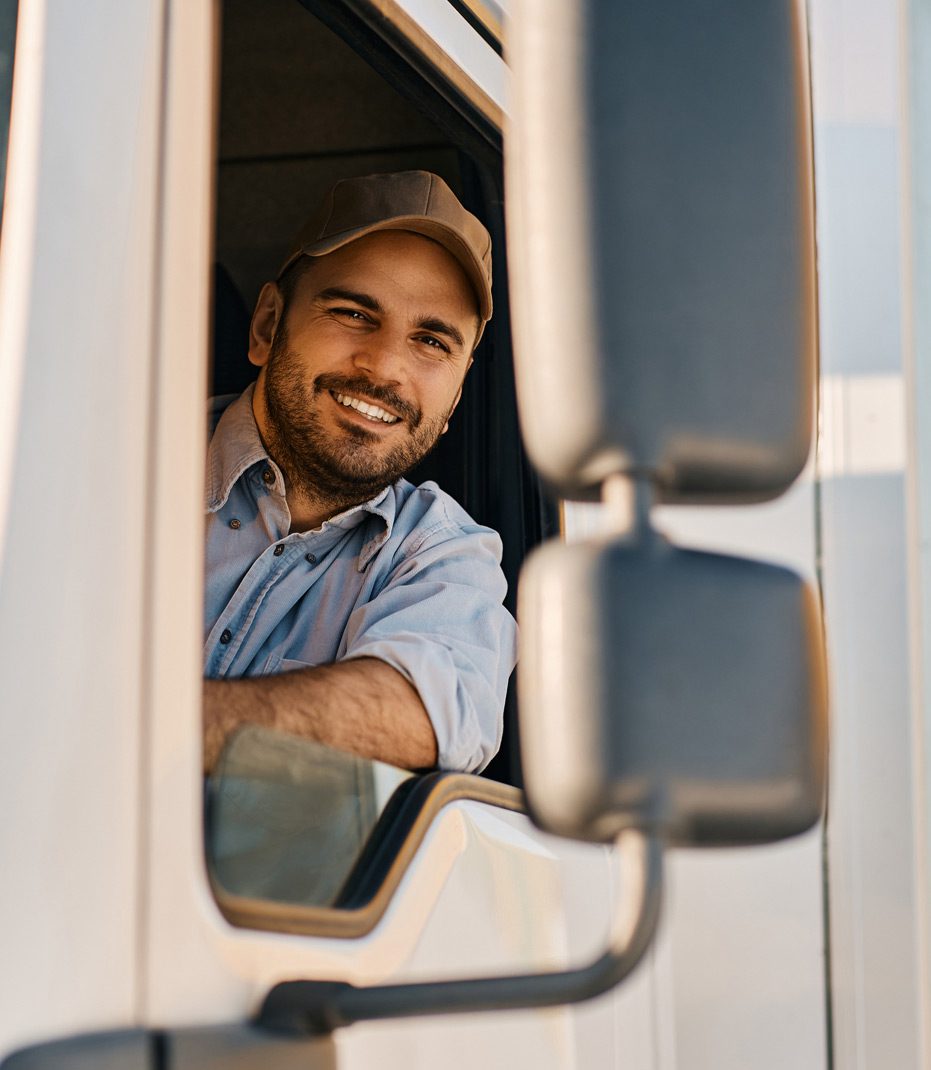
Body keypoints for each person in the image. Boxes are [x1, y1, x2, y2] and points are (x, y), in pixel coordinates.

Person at [202, 171, 517, 776]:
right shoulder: (115, 463)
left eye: (432, 342)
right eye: (352, 312)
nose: (385, 367)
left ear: (455, 397)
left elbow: (426, 712)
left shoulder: (444, 554)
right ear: (268, 326)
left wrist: (137, 728)